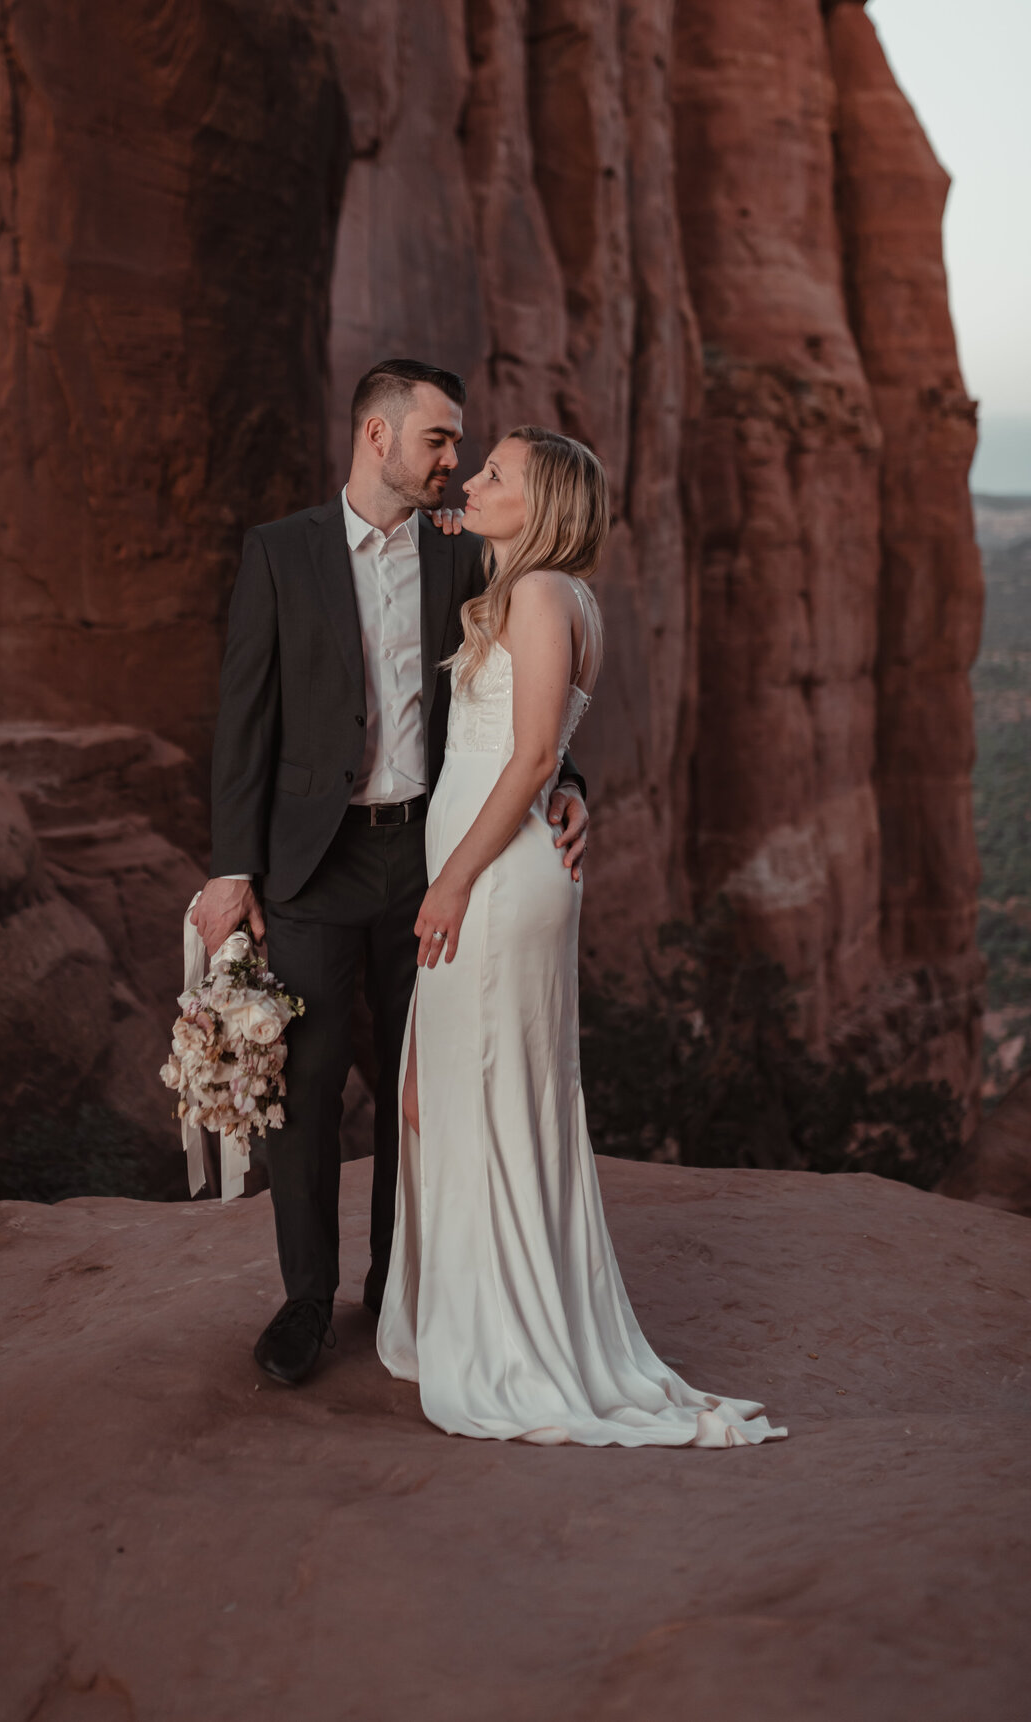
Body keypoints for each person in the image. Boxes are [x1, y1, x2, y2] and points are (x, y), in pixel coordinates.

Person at [377, 425, 787, 1449]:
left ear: (543, 504)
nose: (473, 480)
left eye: (496, 475)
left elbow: (526, 762)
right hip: (486, 874)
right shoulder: (529, 592)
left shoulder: (544, 595)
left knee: (482, 1091)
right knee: (433, 1091)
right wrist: (553, 799)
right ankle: (468, 1311)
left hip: (493, 885)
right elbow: (544, 759)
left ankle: (511, 1339)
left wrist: (453, 884)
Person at [190, 360, 589, 1386]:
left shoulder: (466, 558)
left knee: (429, 1080)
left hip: (432, 858)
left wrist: (569, 781)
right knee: (310, 1079)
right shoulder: (281, 553)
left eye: (461, 448)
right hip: (313, 863)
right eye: (439, 441)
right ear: (379, 437)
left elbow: (528, 692)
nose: (453, 463)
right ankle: (306, 1301)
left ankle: (397, 1287)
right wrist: (233, 870)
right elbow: (245, 719)